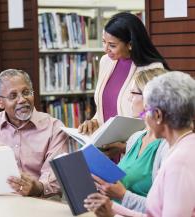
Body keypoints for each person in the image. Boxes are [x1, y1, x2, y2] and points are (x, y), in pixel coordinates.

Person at [84, 71, 195, 217]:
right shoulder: (186, 145)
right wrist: (112, 209)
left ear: (158, 115)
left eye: (146, 111)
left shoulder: (179, 160)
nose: (144, 118)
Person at [0, 69, 69, 197]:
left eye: (26, 92)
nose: (22, 100)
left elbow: (57, 179)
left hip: (38, 204)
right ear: (0, 102)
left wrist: (38, 188)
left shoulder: (54, 128)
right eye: (13, 96)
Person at [78, 12, 169, 135]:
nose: (105, 49)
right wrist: (94, 121)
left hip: (133, 148)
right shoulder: (106, 61)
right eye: (104, 42)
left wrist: (125, 146)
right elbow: (104, 107)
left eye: (112, 45)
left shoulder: (152, 69)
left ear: (130, 44)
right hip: (105, 144)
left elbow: (156, 119)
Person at [92, 68, 168, 213]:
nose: (129, 99)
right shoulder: (135, 138)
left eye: (133, 93)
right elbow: (121, 184)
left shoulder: (167, 146)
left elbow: (164, 209)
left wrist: (122, 195)